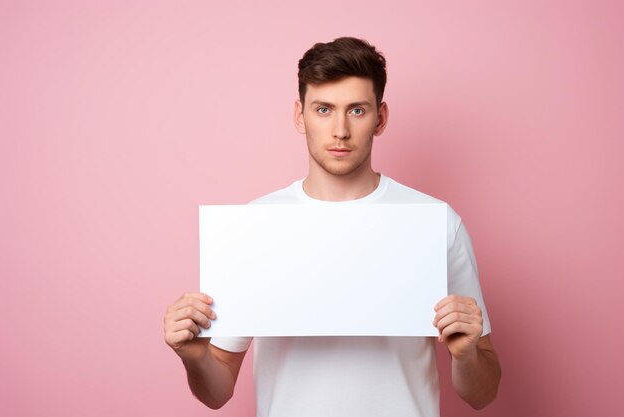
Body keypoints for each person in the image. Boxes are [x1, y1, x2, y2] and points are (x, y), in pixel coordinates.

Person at [163, 36, 501, 417]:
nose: (340, 130)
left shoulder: (436, 222)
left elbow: (483, 394)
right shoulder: (257, 226)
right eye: (323, 109)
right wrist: (193, 357)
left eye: (356, 111)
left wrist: (468, 353)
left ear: (381, 117)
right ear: (299, 115)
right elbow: (217, 390)